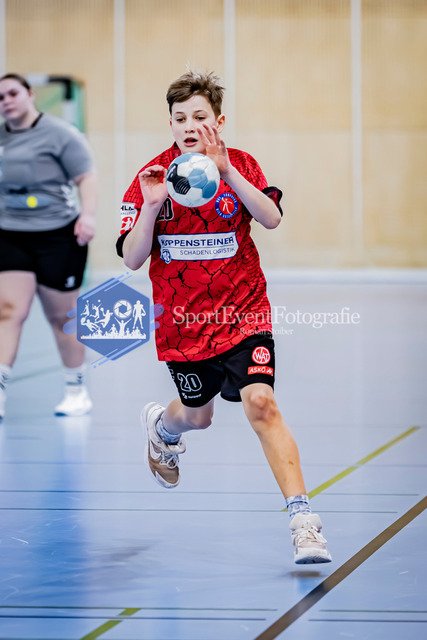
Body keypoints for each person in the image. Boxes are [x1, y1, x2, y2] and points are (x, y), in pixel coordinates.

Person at [116, 70, 331, 564]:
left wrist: (228, 172)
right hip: (183, 322)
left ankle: (303, 521)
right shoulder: (152, 177)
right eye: (179, 118)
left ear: (219, 120)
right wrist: (151, 207)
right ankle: (164, 428)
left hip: (243, 309)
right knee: (199, 415)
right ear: (170, 124)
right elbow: (131, 258)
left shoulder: (243, 165)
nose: (189, 125)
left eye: (199, 116)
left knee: (262, 404)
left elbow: (272, 218)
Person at [0, 73, 97, 419]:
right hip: (11, 233)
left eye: (12, 93)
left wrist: (88, 216)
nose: (6, 101)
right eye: (0, 98)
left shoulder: (60, 134)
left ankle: (75, 389)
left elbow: (86, 176)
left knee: (61, 317)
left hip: (58, 234)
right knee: (8, 310)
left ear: (30, 94)